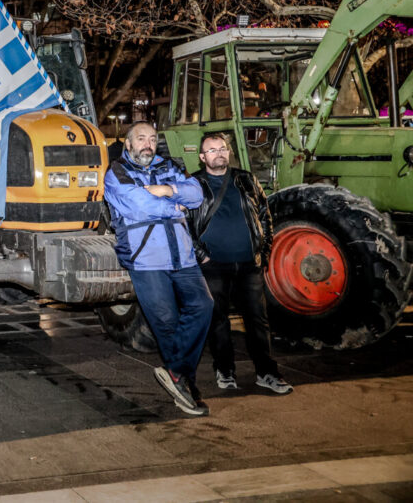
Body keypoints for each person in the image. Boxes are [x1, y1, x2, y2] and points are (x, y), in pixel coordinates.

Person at [104, 122, 214, 416]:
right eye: (140, 138)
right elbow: (137, 206)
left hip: (183, 257)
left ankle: (176, 372)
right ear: (128, 144)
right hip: (147, 259)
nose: (147, 144)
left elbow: (196, 195)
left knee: (203, 306)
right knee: (166, 323)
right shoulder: (117, 173)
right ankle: (186, 386)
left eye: (152, 139)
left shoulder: (170, 166)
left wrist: (166, 189)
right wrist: (173, 206)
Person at [188, 132, 293, 395]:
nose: (218, 153)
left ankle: (267, 373)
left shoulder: (245, 179)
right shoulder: (193, 184)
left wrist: (264, 251)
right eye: (211, 150)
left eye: (222, 148)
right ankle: (225, 370)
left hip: (249, 264)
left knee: (258, 321)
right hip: (213, 265)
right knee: (218, 321)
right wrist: (200, 254)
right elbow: (182, 225)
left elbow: (264, 215)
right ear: (202, 157)